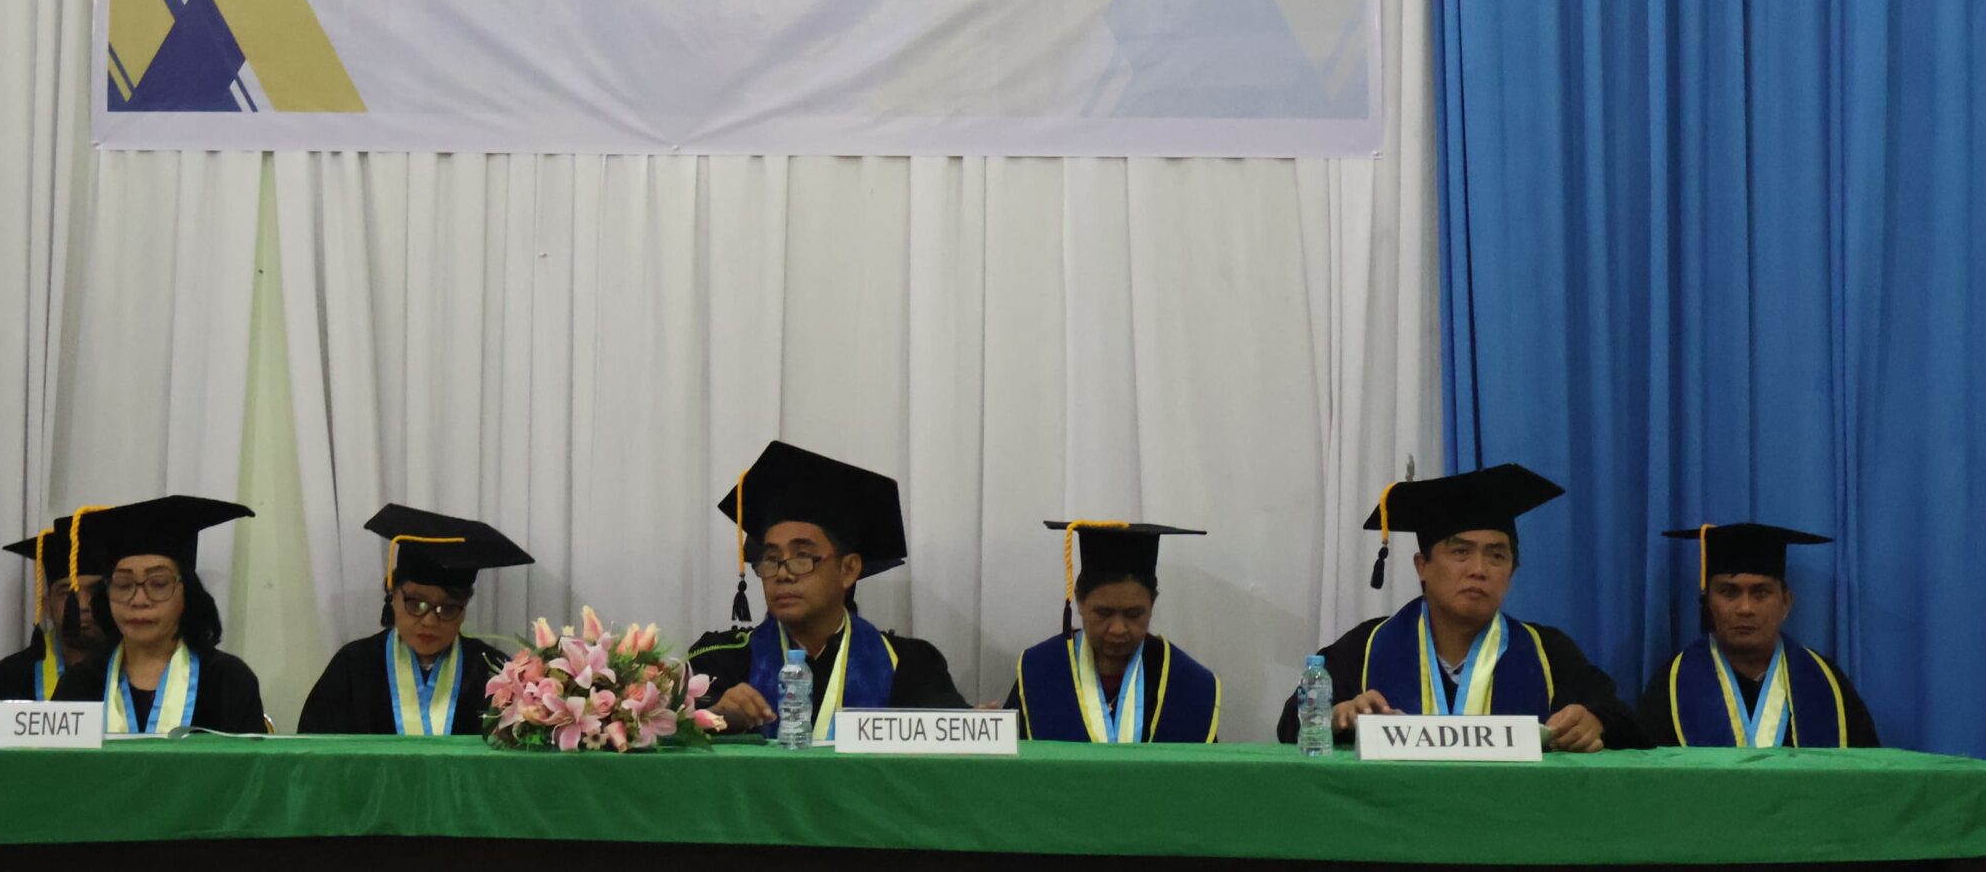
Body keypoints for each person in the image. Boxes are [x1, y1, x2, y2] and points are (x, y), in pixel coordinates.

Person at [1273, 464, 1640, 751]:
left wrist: (1595, 721)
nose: (1479, 570)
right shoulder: (1367, 647)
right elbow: (1290, 724)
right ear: (1422, 566)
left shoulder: (1547, 653)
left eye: (1496, 555)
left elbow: (1624, 719)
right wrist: (1337, 718)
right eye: (1460, 552)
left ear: (1512, 571)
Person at [688, 441, 966, 737]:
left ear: (848, 570)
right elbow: (675, 743)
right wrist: (713, 719)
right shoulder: (721, 663)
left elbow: (953, 743)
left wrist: (974, 731)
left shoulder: (910, 667)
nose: (782, 574)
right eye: (771, 559)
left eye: (802, 557)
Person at [298, 504, 533, 735]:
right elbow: (317, 751)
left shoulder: (493, 672)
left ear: (463, 609)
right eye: (417, 604)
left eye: (448, 608)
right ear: (392, 594)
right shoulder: (352, 667)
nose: (430, 622)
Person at [1641, 523, 1878, 748]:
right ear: (1707, 602)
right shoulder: (1670, 688)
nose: (1745, 608)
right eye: (1729, 592)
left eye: (1761, 592)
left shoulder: (1828, 685)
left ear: (1786, 602)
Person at [49, 496, 265, 733]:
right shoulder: (80, 684)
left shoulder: (227, 681)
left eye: (158, 583)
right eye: (124, 584)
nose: (139, 600)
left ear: (187, 592)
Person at [1006, 521, 1220, 742]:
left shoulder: (1187, 685)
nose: (1118, 629)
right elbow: (1008, 759)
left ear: (1152, 605)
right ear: (1079, 602)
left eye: (1133, 614)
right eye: (1104, 613)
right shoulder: (1040, 672)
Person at [0, 512, 111, 701]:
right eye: (67, 594)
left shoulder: (138, 675)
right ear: (46, 606)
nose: (83, 605)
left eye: (96, 592)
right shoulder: (10, 675)